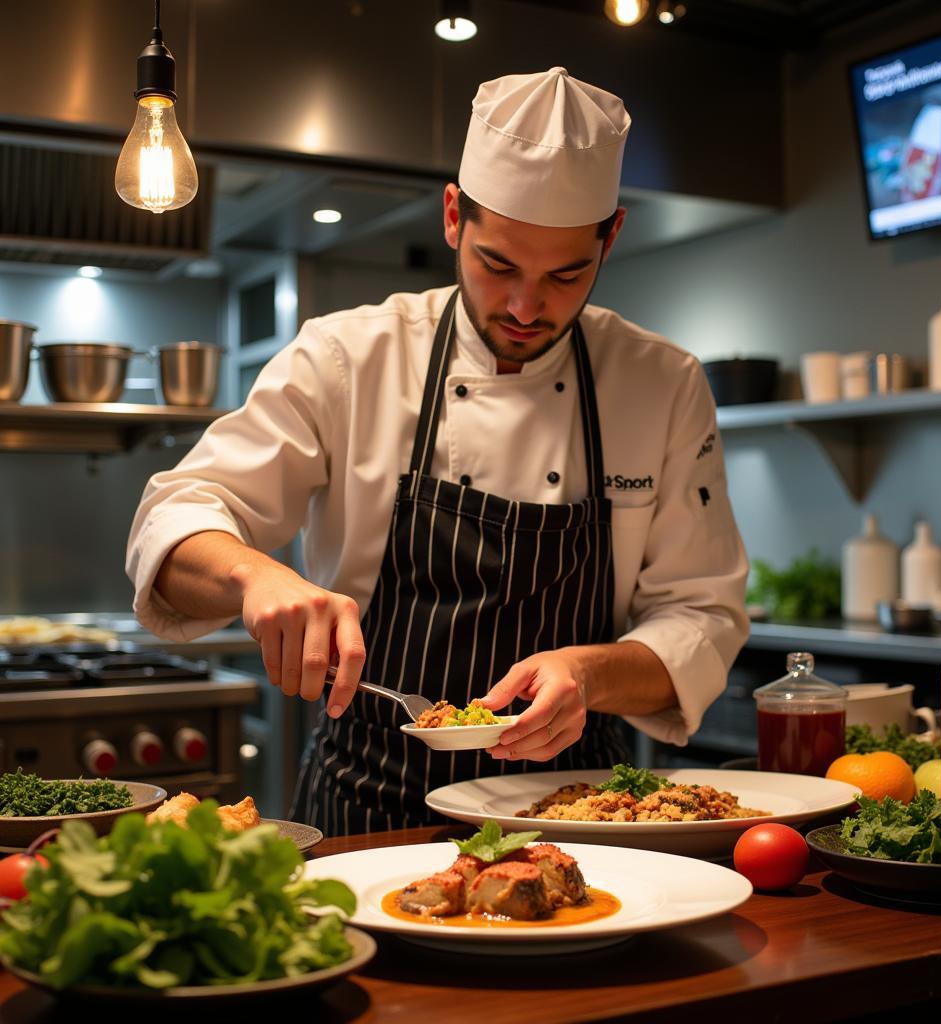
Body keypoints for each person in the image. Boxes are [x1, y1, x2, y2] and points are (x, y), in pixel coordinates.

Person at [126, 67, 749, 835]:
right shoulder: (347, 357)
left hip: (582, 813)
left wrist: (588, 673)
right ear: (454, 216)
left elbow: (704, 614)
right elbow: (175, 518)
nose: (526, 307)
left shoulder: (662, 383)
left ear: (611, 238)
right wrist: (254, 576)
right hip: (366, 804)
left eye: (565, 275)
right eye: (498, 266)